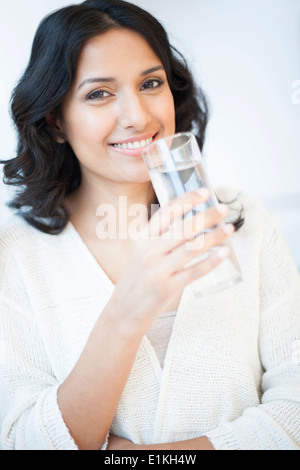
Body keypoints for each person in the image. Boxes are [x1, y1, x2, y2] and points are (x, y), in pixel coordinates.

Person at [0, 0, 299, 451]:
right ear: (56, 121)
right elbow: (22, 441)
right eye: (99, 93)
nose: (138, 116)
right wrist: (128, 308)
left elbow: (294, 412)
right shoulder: (15, 256)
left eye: (151, 83)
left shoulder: (244, 221)